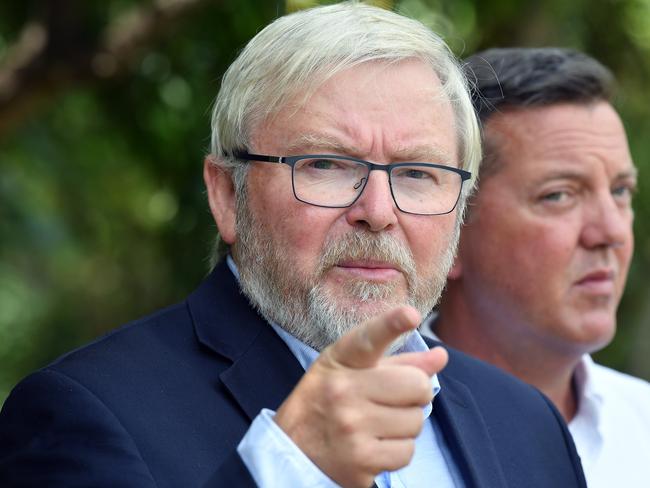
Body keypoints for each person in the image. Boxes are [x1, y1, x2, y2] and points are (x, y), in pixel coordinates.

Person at [0, 6, 587, 487]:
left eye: (417, 173)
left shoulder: (527, 425)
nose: (377, 213)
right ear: (228, 194)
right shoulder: (83, 414)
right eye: (326, 164)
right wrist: (289, 469)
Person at [427, 47, 650, 487]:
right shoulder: (363, 441)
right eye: (559, 195)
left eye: (621, 191)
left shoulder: (642, 424)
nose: (610, 232)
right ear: (449, 234)